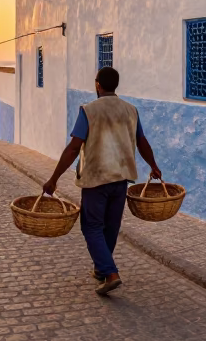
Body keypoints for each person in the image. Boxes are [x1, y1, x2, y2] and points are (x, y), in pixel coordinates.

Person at [43, 66, 161, 296]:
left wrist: (54, 178)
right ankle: (101, 268)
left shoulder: (88, 111)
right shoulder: (131, 110)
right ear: (115, 85)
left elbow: (74, 148)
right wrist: (154, 166)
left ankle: (110, 273)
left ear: (98, 84)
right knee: (111, 226)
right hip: (121, 179)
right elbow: (142, 142)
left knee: (92, 227)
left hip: (96, 179)